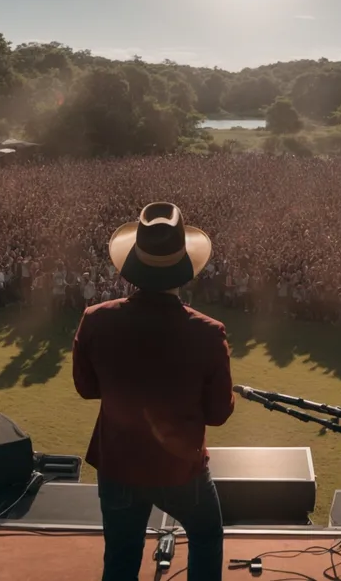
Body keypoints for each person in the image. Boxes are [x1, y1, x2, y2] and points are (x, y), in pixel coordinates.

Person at [73, 202, 234, 581]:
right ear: (185, 268)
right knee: (206, 535)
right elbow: (218, 414)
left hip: (119, 465)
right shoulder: (209, 333)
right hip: (181, 468)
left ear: (133, 265)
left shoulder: (96, 319)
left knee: (121, 556)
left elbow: (85, 388)